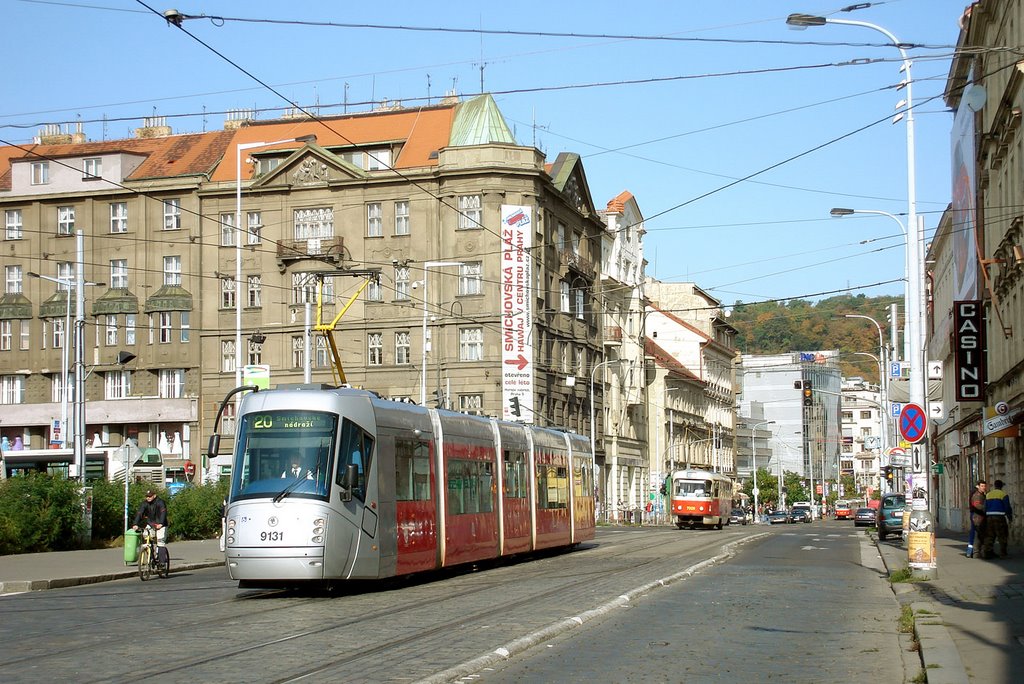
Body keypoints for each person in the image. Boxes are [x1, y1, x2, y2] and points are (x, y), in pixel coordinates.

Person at [132, 489, 168, 562]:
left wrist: (161, 523)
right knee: (146, 537)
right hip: (151, 524)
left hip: (161, 524)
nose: (148, 498)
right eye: (147, 496)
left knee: (160, 541)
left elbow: (163, 512)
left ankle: (162, 563)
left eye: (150, 496)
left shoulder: (160, 502)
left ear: (154, 496)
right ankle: (151, 557)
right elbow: (140, 513)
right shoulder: (144, 503)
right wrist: (135, 524)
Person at [982, 479, 1014, 559]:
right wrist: (1009, 517)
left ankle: (987, 552)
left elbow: (984, 507)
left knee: (990, 535)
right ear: (1001, 486)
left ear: (995, 486)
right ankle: (1003, 553)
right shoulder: (1003, 495)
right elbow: (1007, 507)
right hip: (999, 517)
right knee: (1002, 535)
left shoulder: (988, 495)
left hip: (989, 517)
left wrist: (985, 517)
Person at [967, 479, 987, 558]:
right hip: (977, 516)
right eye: (982, 486)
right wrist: (985, 509)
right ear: (978, 486)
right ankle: (975, 552)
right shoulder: (977, 495)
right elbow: (977, 505)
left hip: (978, 516)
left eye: (984, 486)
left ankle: (972, 552)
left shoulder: (982, 494)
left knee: (977, 534)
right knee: (978, 534)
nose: (984, 487)